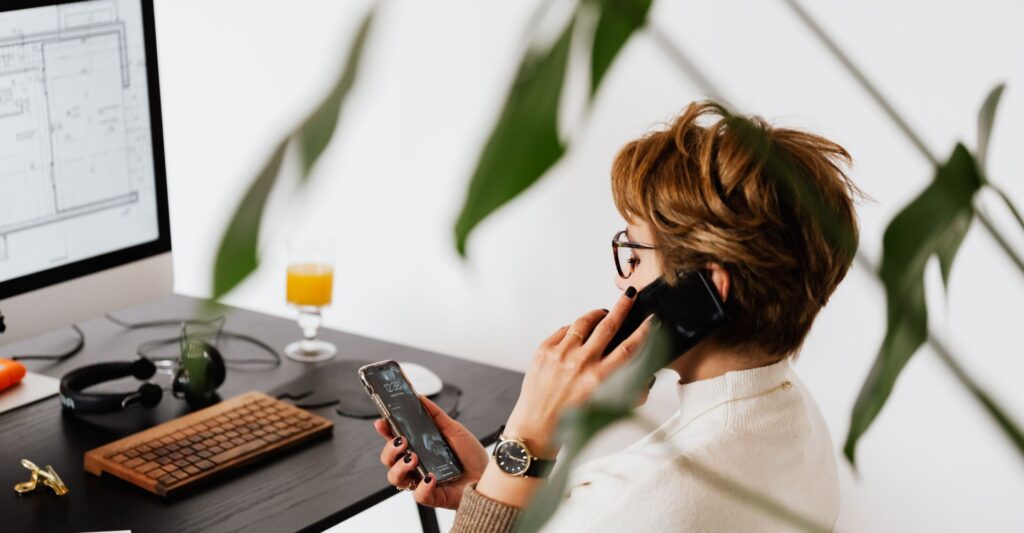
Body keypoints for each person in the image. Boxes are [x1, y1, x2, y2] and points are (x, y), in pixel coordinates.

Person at [372, 101, 860, 532]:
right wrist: (494, 483)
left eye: (635, 254)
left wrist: (527, 433)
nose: (621, 281)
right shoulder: (795, 416)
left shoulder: (642, 496)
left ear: (708, 287)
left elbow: (628, 512)